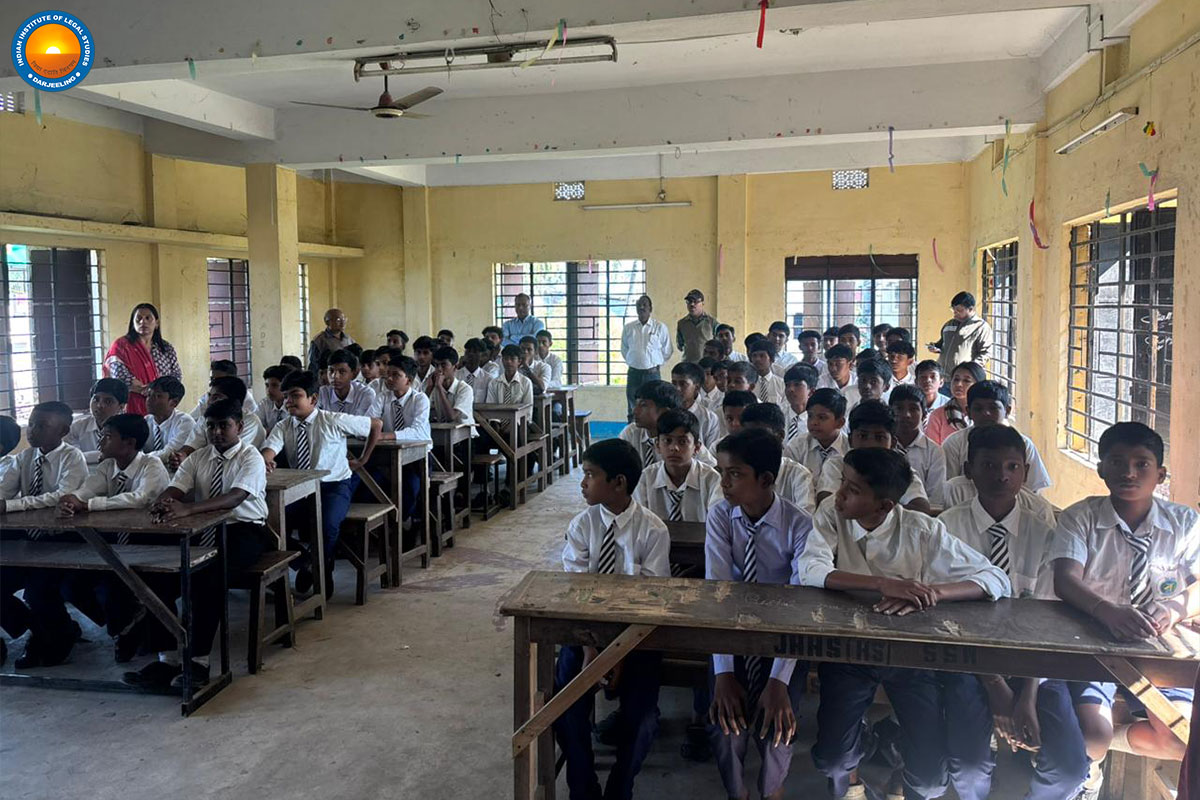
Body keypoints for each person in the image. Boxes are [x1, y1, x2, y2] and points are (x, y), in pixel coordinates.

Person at [798, 448, 1010, 800]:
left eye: (853, 489)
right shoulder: (831, 514)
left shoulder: (922, 530)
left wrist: (932, 592)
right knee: (833, 760)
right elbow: (810, 570)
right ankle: (863, 744)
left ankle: (893, 754)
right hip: (849, 652)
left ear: (884, 505)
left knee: (930, 781)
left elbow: (996, 578)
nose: (839, 494)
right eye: (842, 483)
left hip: (911, 657)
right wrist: (883, 584)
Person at [1047, 422, 1198, 796]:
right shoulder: (1080, 517)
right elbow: (1065, 579)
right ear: (1101, 468)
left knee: (1181, 740)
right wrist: (1106, 611)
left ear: (1160, 474)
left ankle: (1114, 738)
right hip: (1095, 644)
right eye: (1117, 462)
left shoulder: (1185, 524)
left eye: (1141, 464)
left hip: (1159, 649)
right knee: (1091, 740)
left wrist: (1173, 609)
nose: (1129, 473)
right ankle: (1094, 759)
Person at [937, 424, 1057, 800]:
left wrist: (1028, 694)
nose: (1002, 476)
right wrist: (994, 684)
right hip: (966, 658)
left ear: (1025, 471)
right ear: (969, 470)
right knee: (968, 766)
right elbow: (946, 616)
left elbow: (1048, 620)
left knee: (1067, 767)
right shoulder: (946, 529)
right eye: (989, 465)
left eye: (1012, 466)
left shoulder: (1045, 533)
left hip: (1034, 660)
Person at [129, 400, 273, 689]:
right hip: (201, 529)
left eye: (224, 426)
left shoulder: (251, 457)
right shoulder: (198, 458)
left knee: (207, 581)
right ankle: (167, 659)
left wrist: (188, 509)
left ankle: (198, 663)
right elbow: (176, 487)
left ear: (239, 427)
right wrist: (164, 502)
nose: (216, 432)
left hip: (243, 530)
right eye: (211, 426)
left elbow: (235, 497)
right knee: (157, 577)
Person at [556, 439, 669, 800]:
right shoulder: (581, 525)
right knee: (565, 708)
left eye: (590, 475)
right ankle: (582, 789)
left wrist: (616, 654)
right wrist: (593, 648)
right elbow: (576, 592)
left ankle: (621, 788)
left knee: (643, 718)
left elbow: (651, 600)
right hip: (585, 634)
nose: (583, 483)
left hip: (636, 639)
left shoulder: (653, 530)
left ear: (618, 482)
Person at [706, 428, 813, 800]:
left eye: (734, 474)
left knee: (777, 725)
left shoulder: (800, 525)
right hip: (731, 632)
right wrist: (723, 673)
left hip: (783, 635)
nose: (724, 483)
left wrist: (779, 681)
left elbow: (800, 604)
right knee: (725, 724)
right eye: (721, 472)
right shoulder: (721, 517)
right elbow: (718, 594)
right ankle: (738, 792)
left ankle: (772, 790)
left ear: (766, 479)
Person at [56, 413, 170, 663]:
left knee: (114, 588)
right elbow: (87, 489)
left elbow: (139, 498)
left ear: (129, 443)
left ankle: (128, 628)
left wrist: (90, 505)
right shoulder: (107, 466)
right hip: (112, 544)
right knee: (71, 586)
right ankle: (125, 626)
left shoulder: (151, 465)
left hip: (148, 543)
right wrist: (73, 500)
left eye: (107, 437)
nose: (101, 442)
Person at [262, 370, 382, 598]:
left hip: (333, 486)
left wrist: (363, 459)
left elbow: (376, 424)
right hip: (299, 489)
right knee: (267, 525)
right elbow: (269, 449)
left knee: (327, 524)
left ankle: (321, 569)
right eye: (286, 396)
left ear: (313, 398)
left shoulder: (332, 420)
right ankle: (308, 563)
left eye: (295, 396)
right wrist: (266, 460)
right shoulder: (283, 426)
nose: (289, 402)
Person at [0, 402, 88, 667]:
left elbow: (60, 497)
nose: (32, 431)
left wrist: (11, 505)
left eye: (41, 426)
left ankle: (55, 639)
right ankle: (40, 629)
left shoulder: (73, 458)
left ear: (63, 431)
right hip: (29, 541)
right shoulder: (24, 458)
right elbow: (4, 491)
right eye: (31, 423)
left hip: (63, 541)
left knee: (39, 592)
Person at [815, 401, 932, 515]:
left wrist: (863, 508)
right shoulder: (837, 465)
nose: (870, 444)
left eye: (879, 437)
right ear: (850, 440)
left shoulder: (899, 470)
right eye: (862, 436)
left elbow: (921, 508)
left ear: (893, 443)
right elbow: (827, 506)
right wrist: (879, 509)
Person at [941, 381, 1051, 492]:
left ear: (1007, 411)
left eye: (993, 408)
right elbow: (947, 486)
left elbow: (1033, 488)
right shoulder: (954, 444)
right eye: (978, 409)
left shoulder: (1023, 444)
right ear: (968, 412)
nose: (986, 413)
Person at [633, 409, 722, 523]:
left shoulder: (711, 480)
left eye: (682, 442)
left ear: (697, 447)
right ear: (657, 446)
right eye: (667, 440)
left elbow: (717, 524)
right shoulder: (646, 478)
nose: (674, 448)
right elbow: (640, 523)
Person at [103, 302, 182, 416]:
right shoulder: (121, 346)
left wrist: (159, 392)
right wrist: (146, 390)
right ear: (133, 323)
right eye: (138, 318)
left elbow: (176, 376)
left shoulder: (165, 348)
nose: (143, 322)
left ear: (157, 323)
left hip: (161, 407)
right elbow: (120, 377)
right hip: (130, 406)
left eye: (148, 318)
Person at [739, 403, 816, 513]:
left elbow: (806, 518)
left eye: (759, 436)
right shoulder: (737, 473)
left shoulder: (799, 475)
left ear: (780, 436)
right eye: (746, 437)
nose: (751, 443)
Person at [174, 376, 266, 461]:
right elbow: (192, 445)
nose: (209, 401)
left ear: (233, 401)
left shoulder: (250, 421)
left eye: (216, 398)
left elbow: (228, 453)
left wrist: (192, 459)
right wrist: (180, 456)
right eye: (209, 396)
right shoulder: (207, 418)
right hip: (208, 465)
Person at [889, 384, 947, 507]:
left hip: (922, 514)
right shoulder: (884, 445)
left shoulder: (934, 452)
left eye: (913, 409)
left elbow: (936, 499)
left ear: (924, 414)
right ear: (890, 412)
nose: (906, 414)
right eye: (899, 408)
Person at [622, 294, 674, 421]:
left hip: (652, 375)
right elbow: (624, 349)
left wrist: (654, 363)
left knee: (655, 406)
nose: (641, 307)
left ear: (650, 308)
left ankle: (654, 432)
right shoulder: (629, 328)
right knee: (633, 407)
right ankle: (633, 432)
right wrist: (635, 360)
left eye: (645, 305)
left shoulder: (660, 327)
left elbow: (667, 350)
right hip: (634, 374)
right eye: (639, 305)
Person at [783, 388, 848, 477]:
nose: (813, 422)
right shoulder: (796, 447)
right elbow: (786, 480)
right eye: (810, 416)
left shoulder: (849, 449)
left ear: (840, 423)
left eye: (822, 417)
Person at [619, 380, 682, 469]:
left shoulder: (683, 439)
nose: (635, 411)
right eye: (636, 404)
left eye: (643, 405)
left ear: (664, 412)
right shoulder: (631, 433)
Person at [929, 292, 993, 376]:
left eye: (959, 310)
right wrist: (935, 346)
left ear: (970, 309)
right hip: (943, 376)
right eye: (953, 309)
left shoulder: (981, 327)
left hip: (964, 377)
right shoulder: (949, 324)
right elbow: (942, 343)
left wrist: (971, 369)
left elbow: (986, 353)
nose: (955, 313)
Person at [67, 377, 128, 464]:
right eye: (96, 399)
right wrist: (106, 455)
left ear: (121, 407)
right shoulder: (76, 427)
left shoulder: (130, 429)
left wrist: (84, 457)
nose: (99, 405)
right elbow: (70, 458)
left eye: (108, 401)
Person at [925, 361, 985, 445]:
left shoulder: (986, 414)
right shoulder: (938, 415)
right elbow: (932, 449)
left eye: (966, 380)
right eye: (956, 379)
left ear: (978, 384)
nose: (959, 384)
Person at [143, 376, 196, 464]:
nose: (149, 400)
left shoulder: (185, 423)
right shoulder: (145, 421)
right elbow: (135, 449)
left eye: (158, 396)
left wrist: (139, 460)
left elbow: (167, 454)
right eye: (148, 395)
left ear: (174, 402)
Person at [671, 362, 721, 449]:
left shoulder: (709, 418)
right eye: (674, 383)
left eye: (683, 384)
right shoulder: (666, 413)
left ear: (697, 388)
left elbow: (711, 452)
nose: (677, 388)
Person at [318, 349, 380, 418]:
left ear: (354, 374)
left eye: (342, 372)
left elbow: (361, 422)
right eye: (331, 371)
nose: (335, 376)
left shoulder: (365, 394)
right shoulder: (322, 392)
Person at [189, 360, 259, 420]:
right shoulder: (207, 397)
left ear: (233, 379)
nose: (214, 382)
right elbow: (192, 419)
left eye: (220, 380)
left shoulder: (245, 399)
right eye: (212, 379)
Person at [427, 346, 474, 424]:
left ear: (455, 367)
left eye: (443, 365)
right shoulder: (434, 387)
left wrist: (439, 387)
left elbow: (451, 417)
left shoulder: (465, 389)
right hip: (443, 430)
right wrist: (429, 388)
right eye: (436, 365)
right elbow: (420, 412)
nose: (439, 369)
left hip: (463, 431)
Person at [307, 308, 355, 372]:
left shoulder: (349, 339)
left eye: (343, 319)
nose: (342, 323)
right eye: (338, 320)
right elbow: (313, 365)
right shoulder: (319, 341)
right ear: (327, 322)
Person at [677, 289, 719, 363]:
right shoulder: (682, 323)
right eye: (689, 301)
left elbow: (718, 344)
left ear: (702, 303)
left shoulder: (712, 322)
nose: (692, 304)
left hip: (706, 364)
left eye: (696, 301)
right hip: (688, 363)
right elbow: (680, 346)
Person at [782, 364, 818, 444]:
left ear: (811, 392)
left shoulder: (818, 421)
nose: (791, 389)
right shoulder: (779, 415)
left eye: (797, 384)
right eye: (787, 385)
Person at [748, 339, 786, 410]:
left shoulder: (782, 384)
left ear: (772, 359)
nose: (757, 359)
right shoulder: (747, 384)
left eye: (762, 356)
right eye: (754, 356)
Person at [456, 338, 493, 405]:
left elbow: (489, 404)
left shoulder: (488, 379)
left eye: (475, 352)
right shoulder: (456, 376)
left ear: (482, 355)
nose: (471, 354)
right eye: (468, 351)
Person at [257, 365, 292, 434]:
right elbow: (256, 429)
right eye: (267, 385)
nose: (269, 390)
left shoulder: (293, 404)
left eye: (274, 385)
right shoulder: (264, 404)